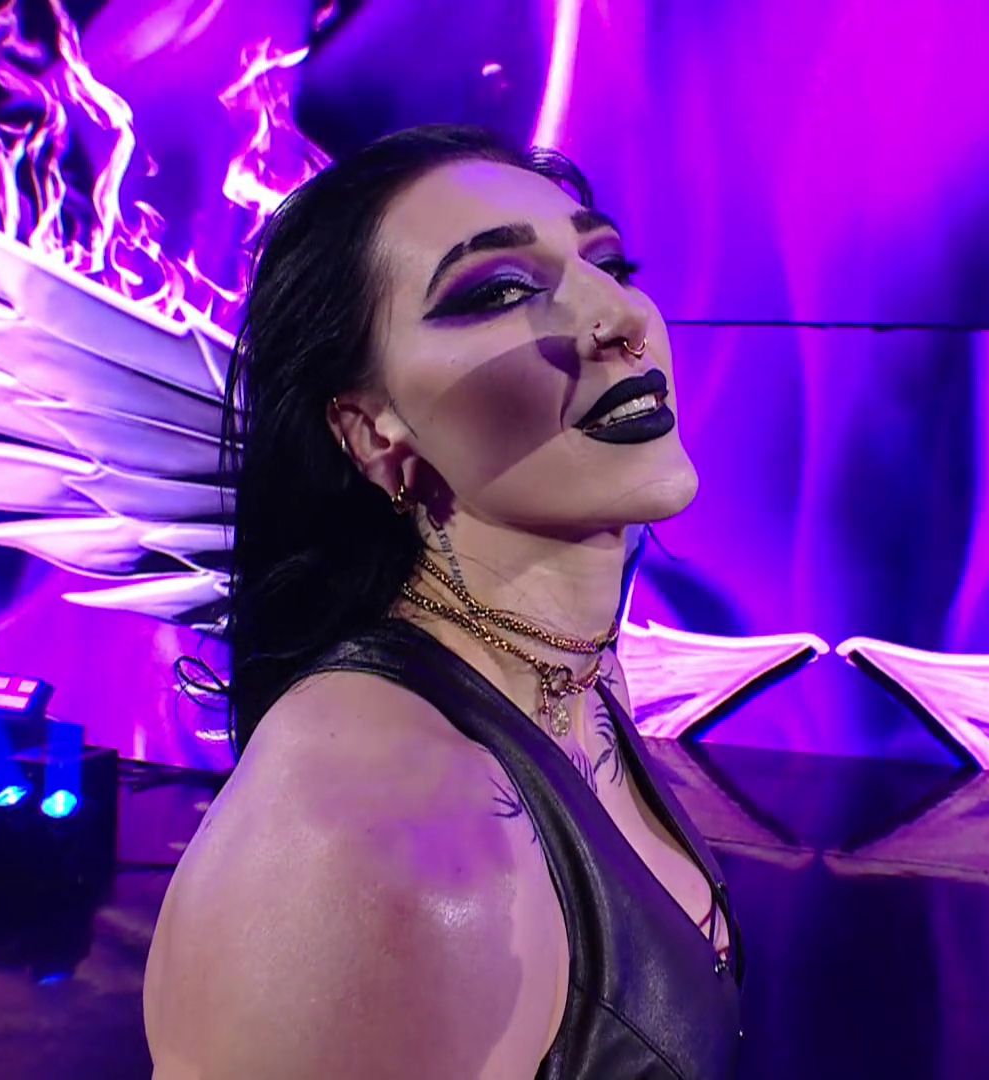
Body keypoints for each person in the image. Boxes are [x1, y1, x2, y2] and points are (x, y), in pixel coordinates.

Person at [143, 125, 741, 1079]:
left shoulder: (570, 675)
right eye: (498, 291)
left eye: (608, 263)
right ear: (373, 431)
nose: (618, 316)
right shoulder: (379, 832)